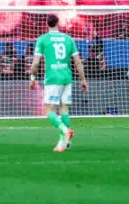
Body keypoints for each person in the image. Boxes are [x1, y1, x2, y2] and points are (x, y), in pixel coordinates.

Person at [28, 14, 88, 152]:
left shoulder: (42, 39)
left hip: (52, 78)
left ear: (47, 24)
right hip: (67, 77)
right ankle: (64, 143)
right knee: (64, 109)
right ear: (58, 23)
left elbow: (36, 63)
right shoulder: (68, 39)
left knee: (49, 110)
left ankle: (65, 130)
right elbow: (78, 61)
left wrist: (32, 79)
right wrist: (83, 80)